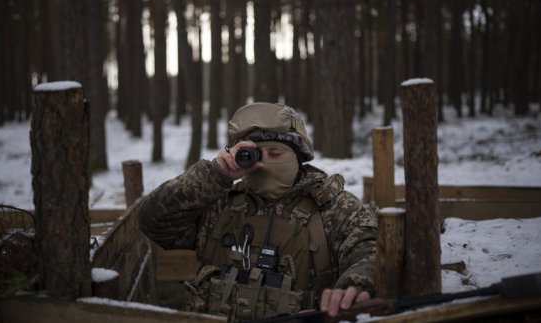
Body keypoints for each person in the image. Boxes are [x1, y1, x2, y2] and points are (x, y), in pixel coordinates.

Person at [138, 102, 377, 321]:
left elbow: (369, 248)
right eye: (255, 155)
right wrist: (213, 175)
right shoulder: (220, 205)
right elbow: (153, 221)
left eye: (276, 153)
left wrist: (354, 283)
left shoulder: (333, 207)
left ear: (298, 157)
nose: (265, 164)